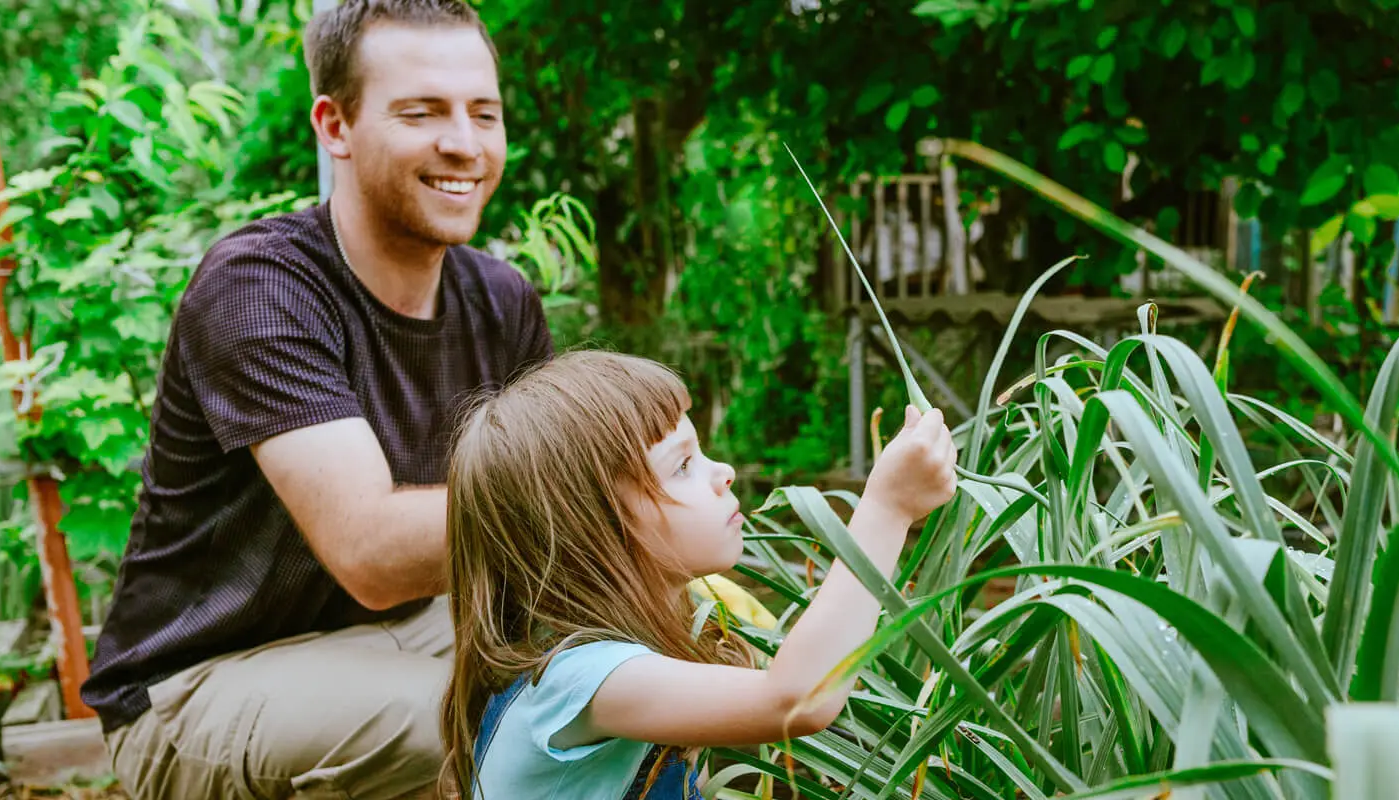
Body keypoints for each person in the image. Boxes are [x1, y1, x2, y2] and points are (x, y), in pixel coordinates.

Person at [78, 1, 550, 797]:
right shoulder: (260, 287)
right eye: (421, 113)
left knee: (638, 662)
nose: (465, 144)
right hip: (198, 684)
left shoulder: (502, 301)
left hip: (408, 635)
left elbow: (560, 498)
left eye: (484, 113)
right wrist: (610, 500)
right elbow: (373, 552)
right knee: (467, 722)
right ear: (336, 126)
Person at [439, 351, 958, 799]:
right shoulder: (579, 678)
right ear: (594, 527)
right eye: (682, 465)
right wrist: (888, 508)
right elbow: (796, 699)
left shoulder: (644, 639)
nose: (723, 473)